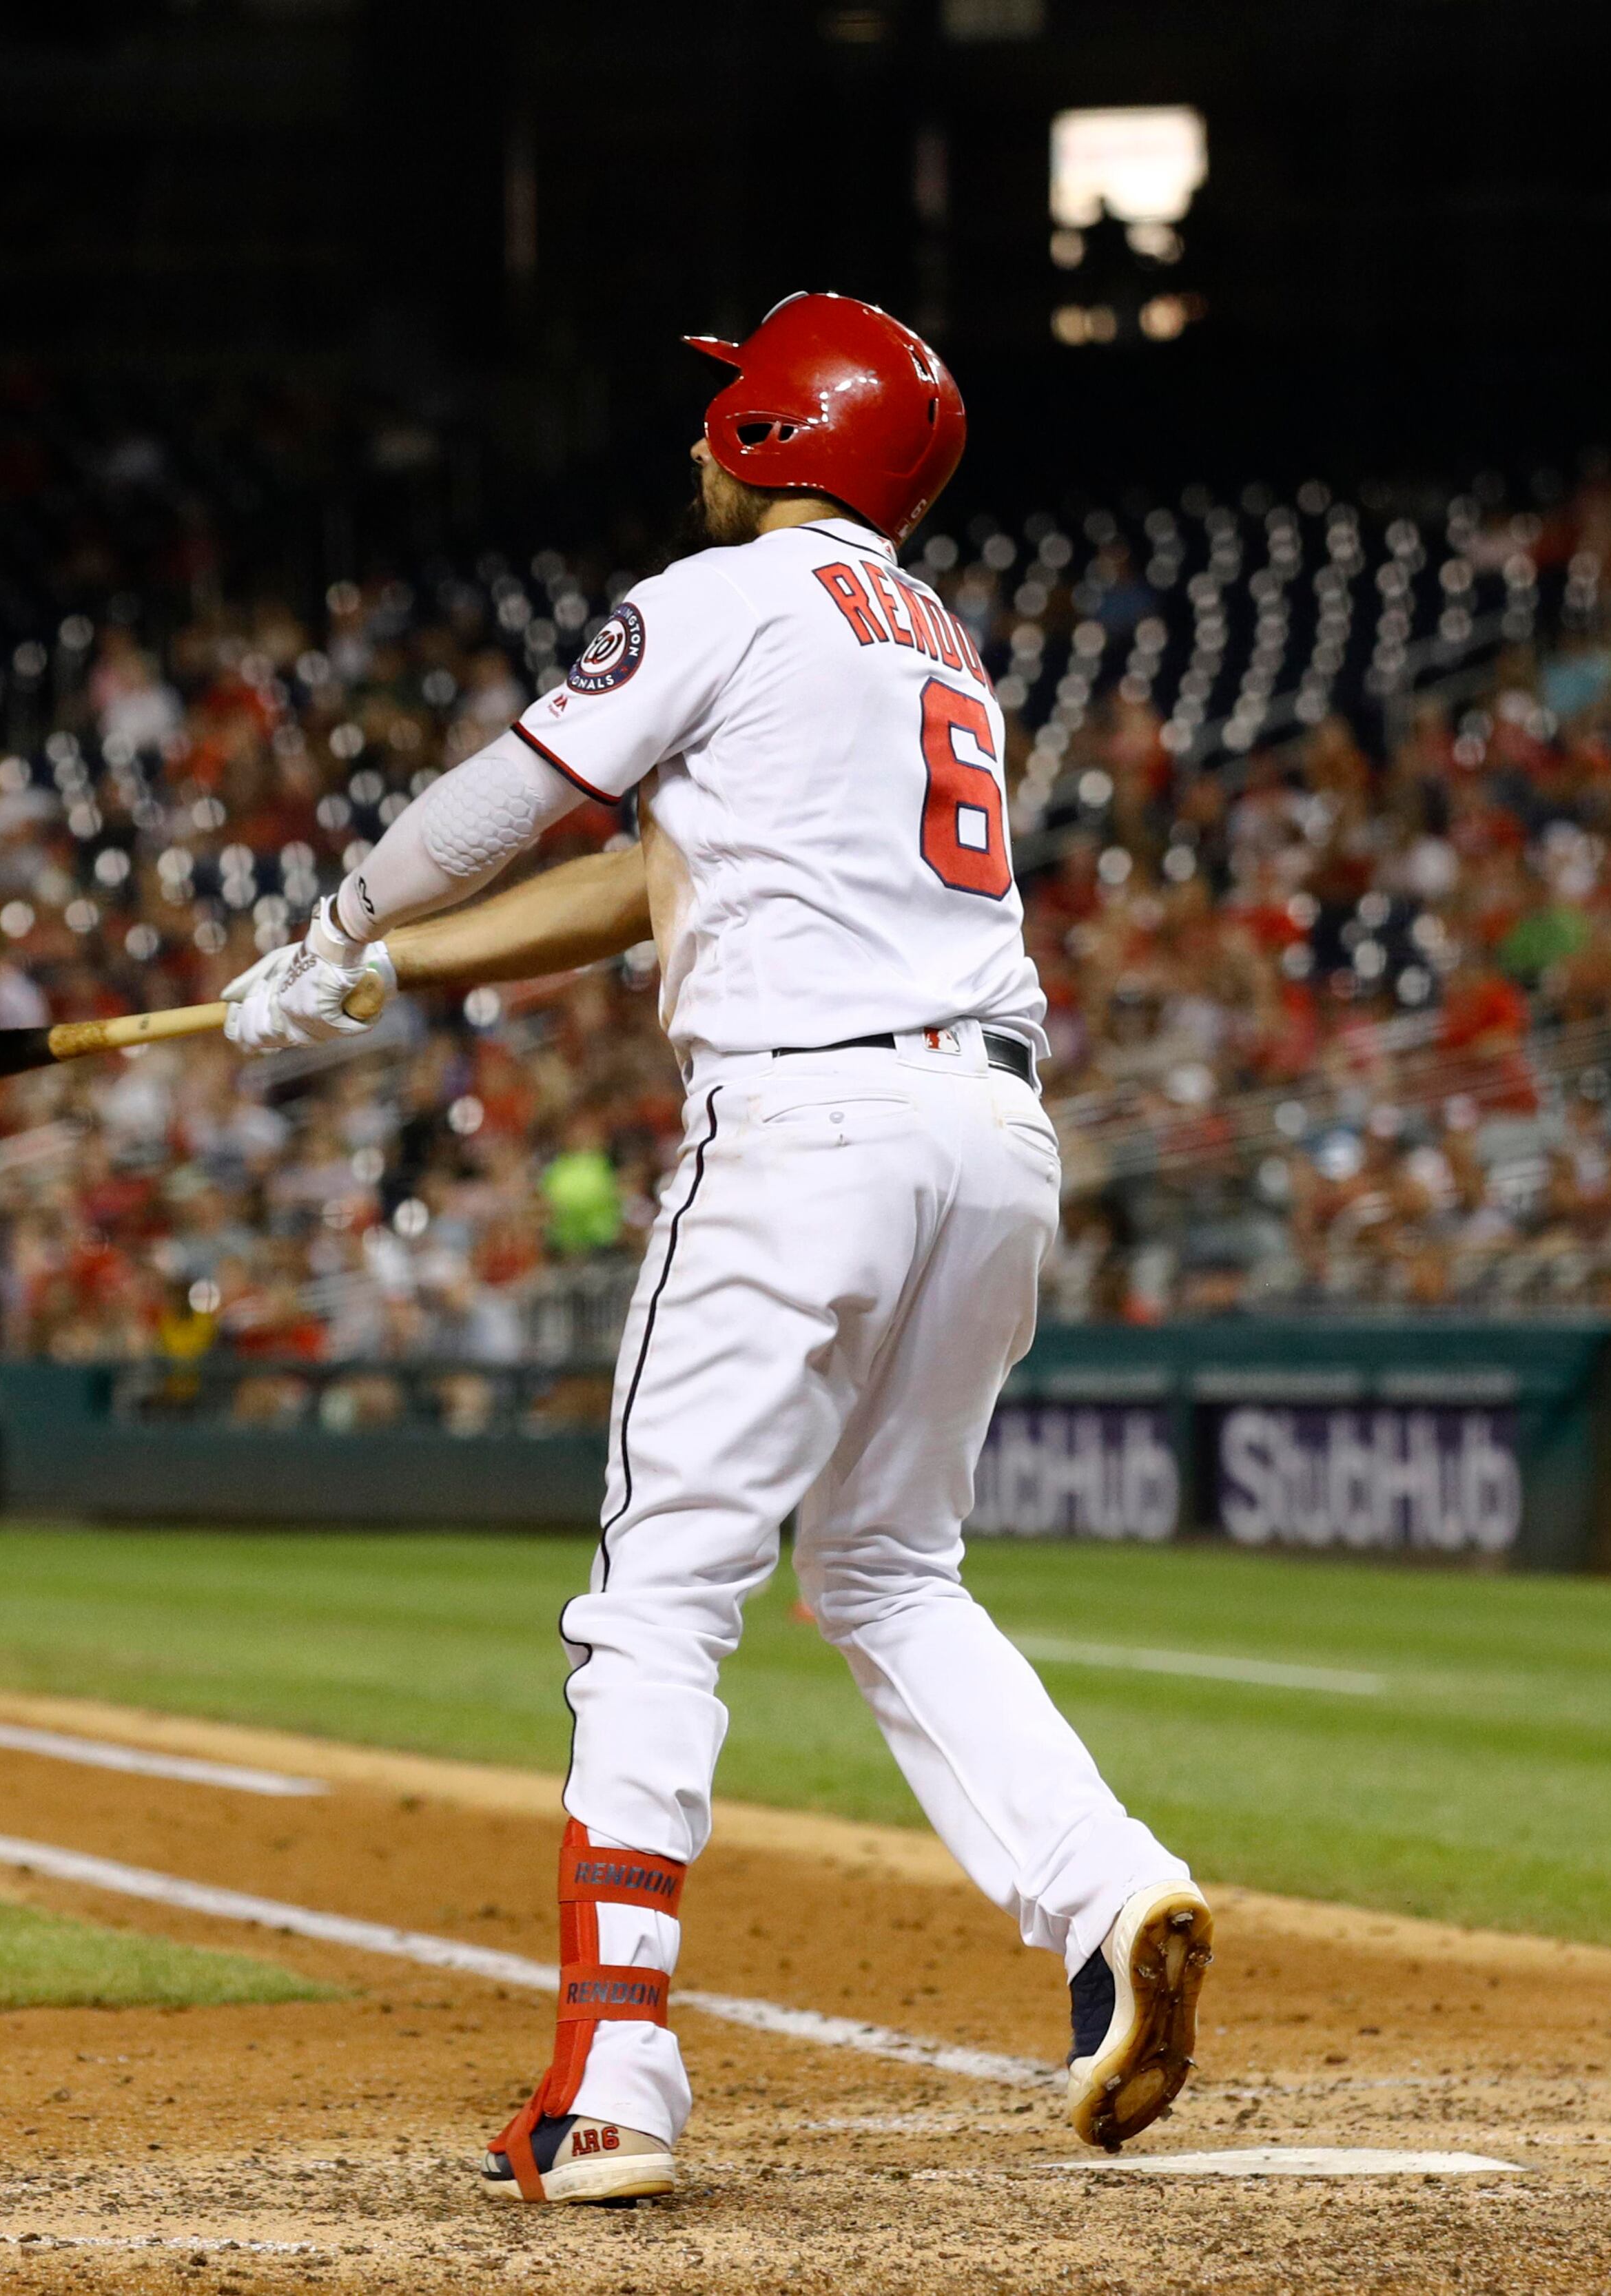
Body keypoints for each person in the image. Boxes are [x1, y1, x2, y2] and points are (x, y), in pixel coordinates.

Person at [220, 293, 1209, 2204]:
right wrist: (380, 970)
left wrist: (336, 916)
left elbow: (510, 802)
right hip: (991, 1134)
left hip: (806, 1128)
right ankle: (1111, 1894)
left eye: (726, 406)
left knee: (660, 1595)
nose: (700, 433)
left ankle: (610, 2078)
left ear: (775, 433)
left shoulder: (721, 595)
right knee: (889, 1566)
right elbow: (648, 883)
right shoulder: (926, 640)